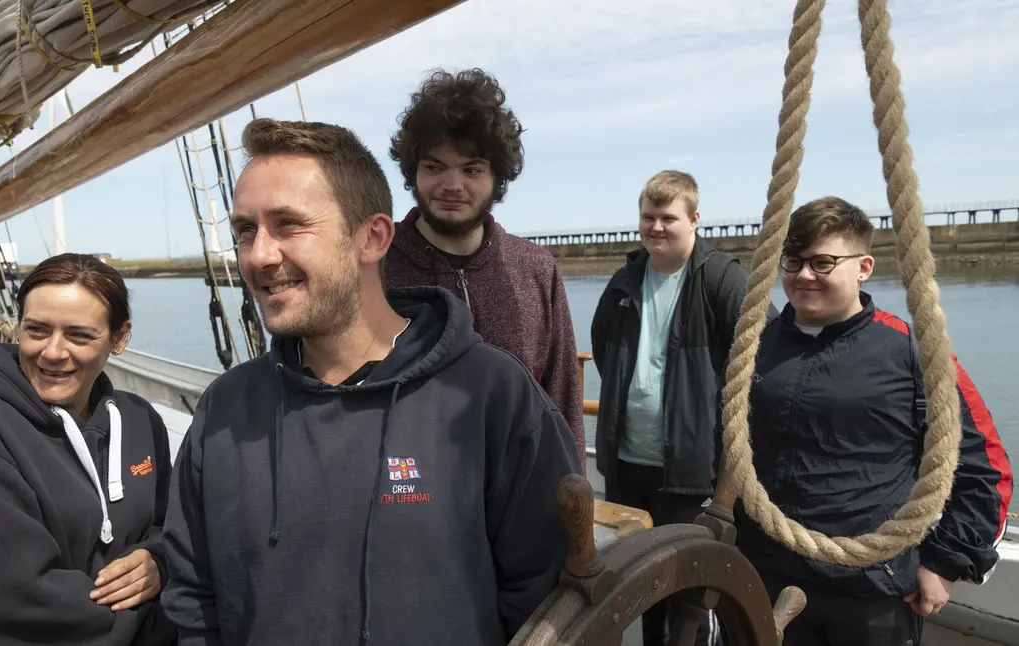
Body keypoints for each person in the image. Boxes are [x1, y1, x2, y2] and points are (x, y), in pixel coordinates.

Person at [159, 118, 580, 645]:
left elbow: (547, 601)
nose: (259, 255)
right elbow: (195, 598)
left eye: (288, 224)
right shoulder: (224, 411)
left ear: (373, 238)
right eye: (246, 230)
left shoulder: (493, 397)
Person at [736, 196, 1013, 645]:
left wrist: (946, 563)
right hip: (763, 574)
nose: (804, 275)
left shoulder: (913, 355)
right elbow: (728, 455)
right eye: (793, 261)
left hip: (872, 591)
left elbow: (984, 470)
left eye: (823, 262)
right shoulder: (753, 349)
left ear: (863, 267)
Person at [0, 253, 177, 645]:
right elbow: (15, 608)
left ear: (120, 337)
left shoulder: (141, 422)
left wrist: (160, 561)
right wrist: (163, 620)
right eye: (37, 330)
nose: (54, 352)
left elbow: (170, 529)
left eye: (79, 335)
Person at [590, 170, 769, 646]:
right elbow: (604, 347)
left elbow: (762, 349)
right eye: (648, 217)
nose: (656, 227)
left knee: (691, 593)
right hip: (628, 465)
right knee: (639, 584)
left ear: (694, 218)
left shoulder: (721, 278)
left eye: (668, 217)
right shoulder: (626, 279)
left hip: (692, 472)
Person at [382, 68, 586, 470]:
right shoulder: (375, 268)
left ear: (496, 177)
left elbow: (562, 400)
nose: (452, 184)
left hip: (521, 492)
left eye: (472, 169)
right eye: (435, 167)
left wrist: (571, 499)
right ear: (413, 172)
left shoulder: (536, 270)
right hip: (409, 496)